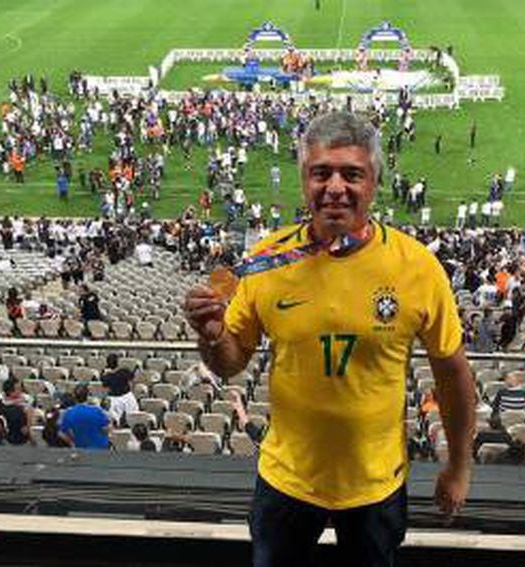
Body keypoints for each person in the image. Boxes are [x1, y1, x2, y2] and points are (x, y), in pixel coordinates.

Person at [184, 111, 476, 566]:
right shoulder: (266, 260)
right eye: (322, 173)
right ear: (304, 180)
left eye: (351, 174)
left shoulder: (417, 267)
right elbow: (230, 362)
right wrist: (212, 336)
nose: (335, 187)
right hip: (287, 479)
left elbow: (453, 375)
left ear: (374, 182)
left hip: (376, 483)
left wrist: (458, 466)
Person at [58, 383, 110, 450]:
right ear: (87, 396)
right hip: (100, 449)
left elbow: (62, 433)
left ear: (74, 397)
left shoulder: (69, 413)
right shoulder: (97, 411)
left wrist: (72, 443)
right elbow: (106, 429)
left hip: (80, 450)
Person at [101, 353, 139, 425]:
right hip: (127, 398)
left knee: (115, 422)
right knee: (133, 419)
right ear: (117, 362)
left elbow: (104, 386)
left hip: (114, 400)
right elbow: (133, 379)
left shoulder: (106, 376)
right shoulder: (124, 371)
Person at [0, 377, 31, 445]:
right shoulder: (19, 409)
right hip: (17, 441)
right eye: (18, 389)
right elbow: (25, 430)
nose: (21, 391)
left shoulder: (24, 404)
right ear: (10, 391)